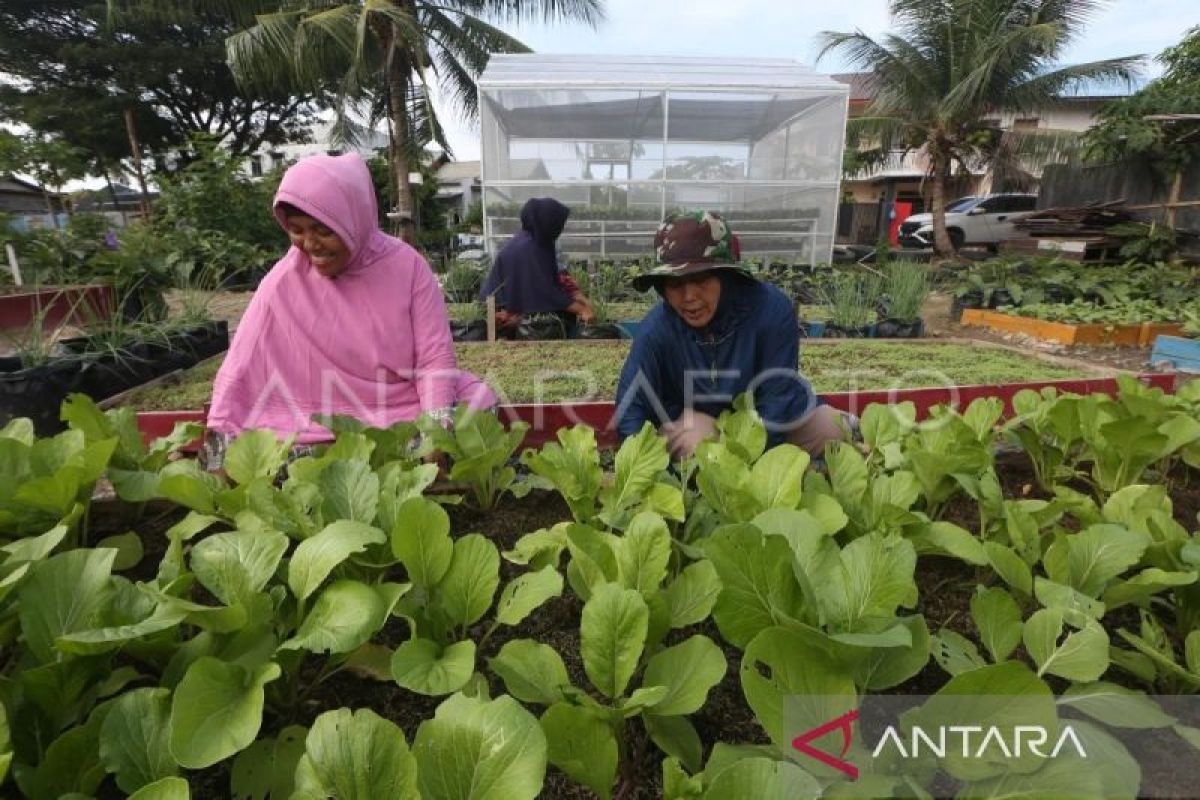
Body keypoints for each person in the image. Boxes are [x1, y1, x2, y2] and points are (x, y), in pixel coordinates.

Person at [204, 153, 495, 468]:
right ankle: (363, 460)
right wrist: (215, 452)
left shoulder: (408, 267)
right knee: (279, 449)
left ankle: (365, 458)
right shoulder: (284, 281)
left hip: (397, 410)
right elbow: (238, 369)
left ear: (355, 219)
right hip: (309, 423)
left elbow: (434, 357)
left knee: (477, 403)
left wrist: (436, 431)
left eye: (323, 230)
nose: (310, 243)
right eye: (297, 230)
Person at [614, 210, 854, 459]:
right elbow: (630, 407)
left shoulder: (771, 311)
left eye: (701, 279)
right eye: (674, 284)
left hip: (768, 425)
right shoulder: (657, 329)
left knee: (833, 427)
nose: (689, 297)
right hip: (702, 425)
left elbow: (778, 398)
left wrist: (755, 467)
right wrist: (636, 471)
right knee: (695, 439)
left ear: (727, 276)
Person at [479, 197, 594, 334]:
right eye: (558, 223)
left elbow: (556, 278)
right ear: (547, 223)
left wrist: (577, 296)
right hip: (501, 313)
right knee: (556, 321)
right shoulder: (531, 248)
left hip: (510, 307)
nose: (561, 229)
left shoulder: (532, 240)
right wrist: (582, 309)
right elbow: (546, 291)